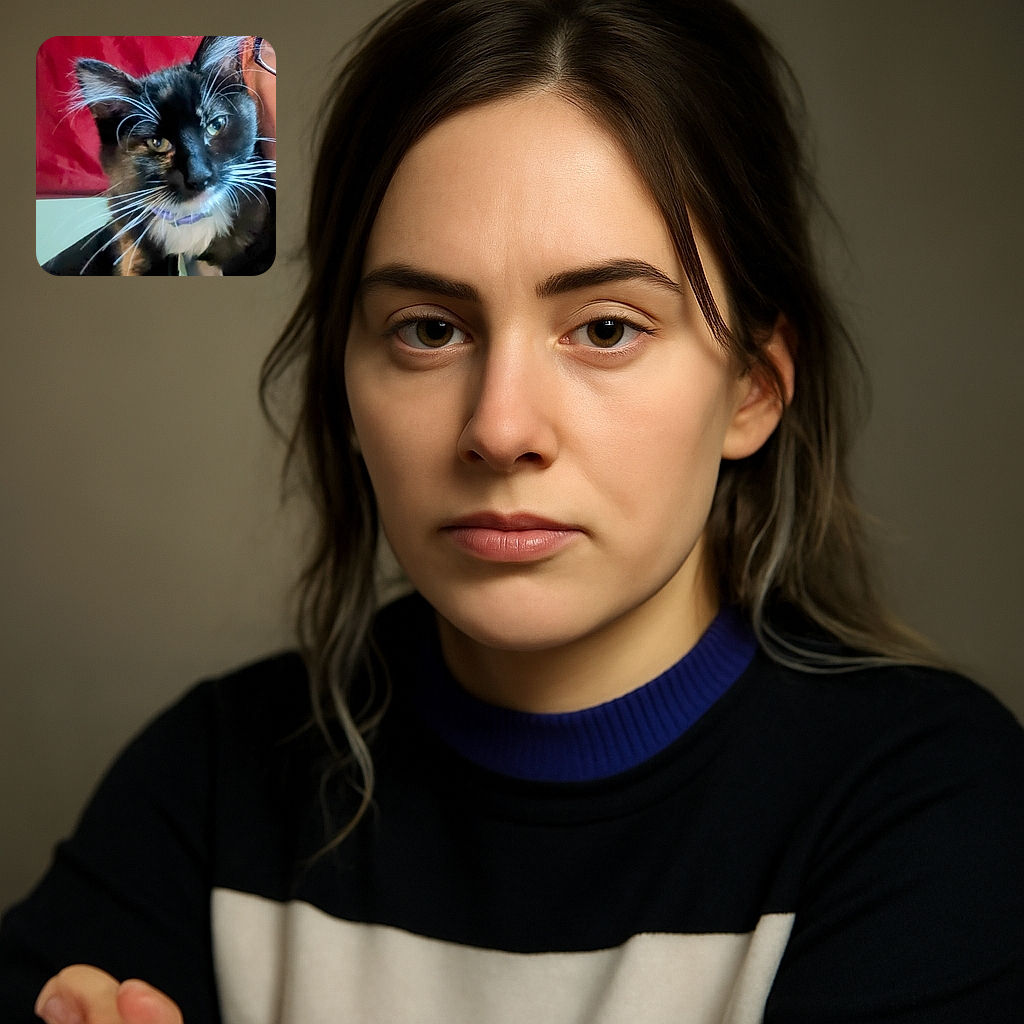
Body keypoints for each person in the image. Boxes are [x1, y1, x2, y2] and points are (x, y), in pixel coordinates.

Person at [3, 0, 1022, 1020]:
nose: (499, 428)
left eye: (607, 328)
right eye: (428, 329)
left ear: (753, 386)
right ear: (344, 382)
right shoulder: (212, 785)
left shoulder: (933, 811)